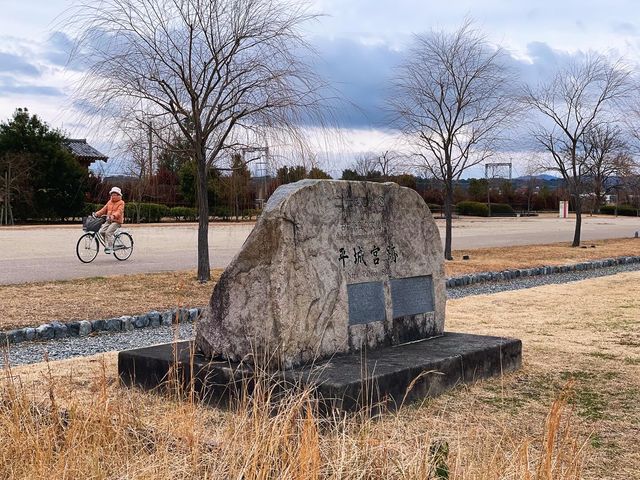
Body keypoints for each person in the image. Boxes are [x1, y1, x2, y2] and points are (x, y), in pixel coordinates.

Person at [95, 186, 125, 254]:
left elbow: (119, 211)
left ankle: (110, 247)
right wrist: (97, 214)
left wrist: (113, 216)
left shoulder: (121, 202)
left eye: (114, 194)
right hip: (109, 220)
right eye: (112, 194)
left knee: (108, 232)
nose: (113, 196)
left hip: (117, 221)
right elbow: (104, 209)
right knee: (102, 231)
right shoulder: (109, 202)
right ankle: (108, 244)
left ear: (118, 195)